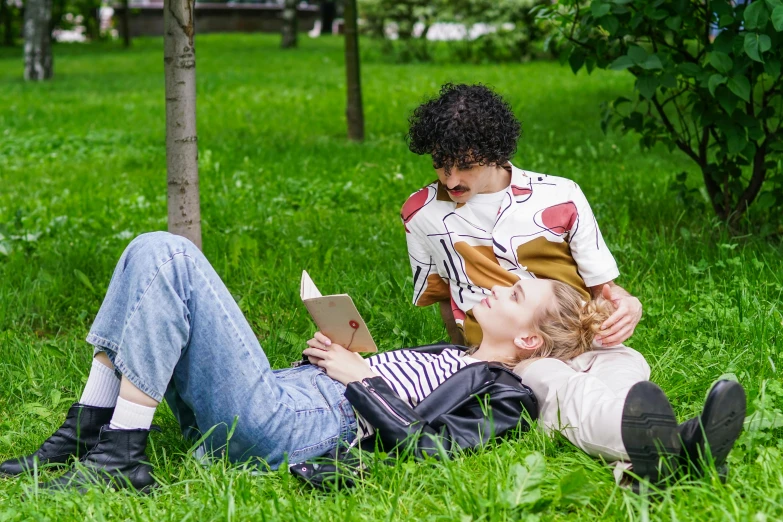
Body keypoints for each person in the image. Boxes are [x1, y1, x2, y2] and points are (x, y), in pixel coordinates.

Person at [0, 231, 603, 492]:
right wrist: (332, 355)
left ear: (529, 341)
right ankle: (89, 429)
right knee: (144, 252)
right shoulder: (453, 351)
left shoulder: (505, 393)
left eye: (517, 295)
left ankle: (121, 453)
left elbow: (429, 447)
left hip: (303, 425)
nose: (498, 288)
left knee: (172, 254)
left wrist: (361, 379)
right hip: (290, 394)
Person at [401, 83, 746, 485]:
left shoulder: (560, 196)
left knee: (627, 362)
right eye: (441, 164)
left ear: (497, 153)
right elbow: (443, 297)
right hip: (511, 358)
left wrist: (628, 304)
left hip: (579, 334)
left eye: (465, 165)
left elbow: (607, 290)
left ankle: (643, 464)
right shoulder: (422, 214)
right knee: (553, 383)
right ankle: (683, 441)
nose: (452, 177)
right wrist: (463, 365)